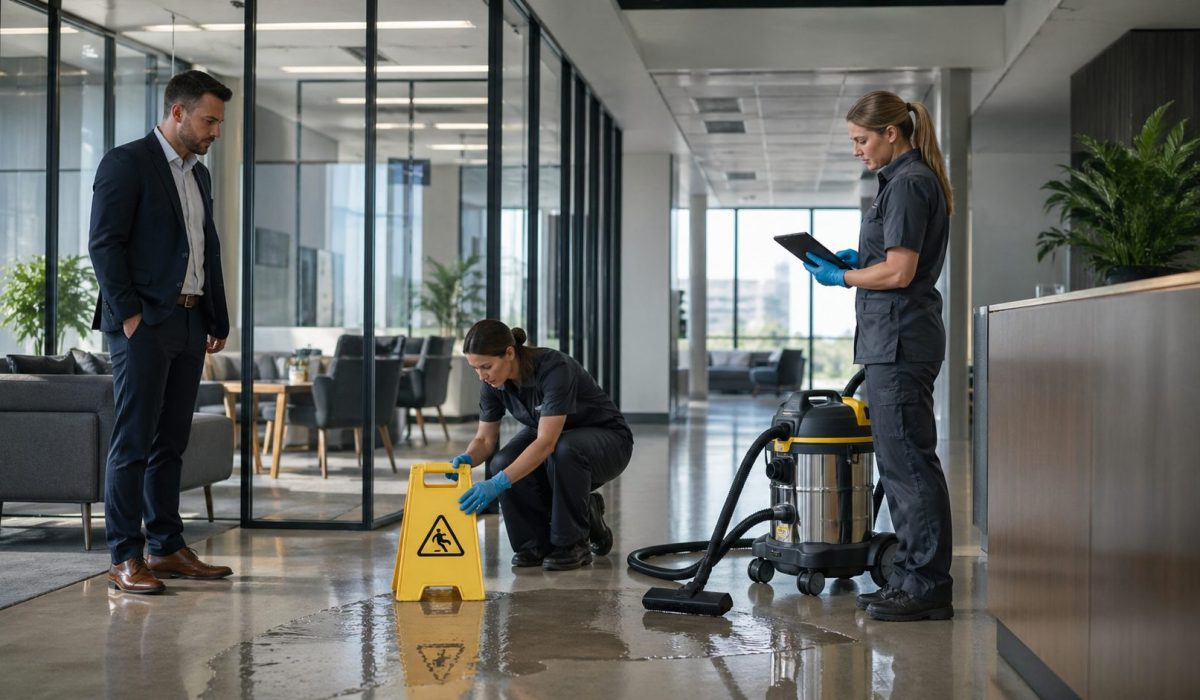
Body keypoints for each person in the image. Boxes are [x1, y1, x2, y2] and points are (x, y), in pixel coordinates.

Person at [801, 90, 955, 622]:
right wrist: (857, 259)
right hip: (892, 341)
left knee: (909, 464)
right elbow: (887, 261)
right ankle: (912, 578)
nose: (856, 150)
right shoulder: (901, 182)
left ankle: (927, 586)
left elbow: (899, 272)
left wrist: (843, 275)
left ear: (893, 133)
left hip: (901, 342)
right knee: (898, 464)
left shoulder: (911, 183)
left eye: (861, 140)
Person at [89, 70, 234, 594]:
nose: (215, 130)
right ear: (177, 112)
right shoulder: (127, 163)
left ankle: (167, 546)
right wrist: (129, 315)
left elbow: (206, 248)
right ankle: (125, 555)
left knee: (172, 439)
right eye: (208, 119)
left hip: (191, 321)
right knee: (134, 441)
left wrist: (214, 318)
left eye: (218, 121)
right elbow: (104, 244)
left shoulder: (200, 174)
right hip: (144, 323)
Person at [452, 320, 633, 571]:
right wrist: (468, 458)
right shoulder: (492, 383)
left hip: (608, 441)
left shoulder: (554, 368)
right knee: (502, 462)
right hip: (555, 439)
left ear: (510, 353)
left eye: (486, 366)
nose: (482, 375)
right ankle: (533, 544)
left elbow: (547, 442)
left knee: (563, 451)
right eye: (475, 368)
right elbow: (484, 440)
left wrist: (498, 483)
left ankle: (572, 544)